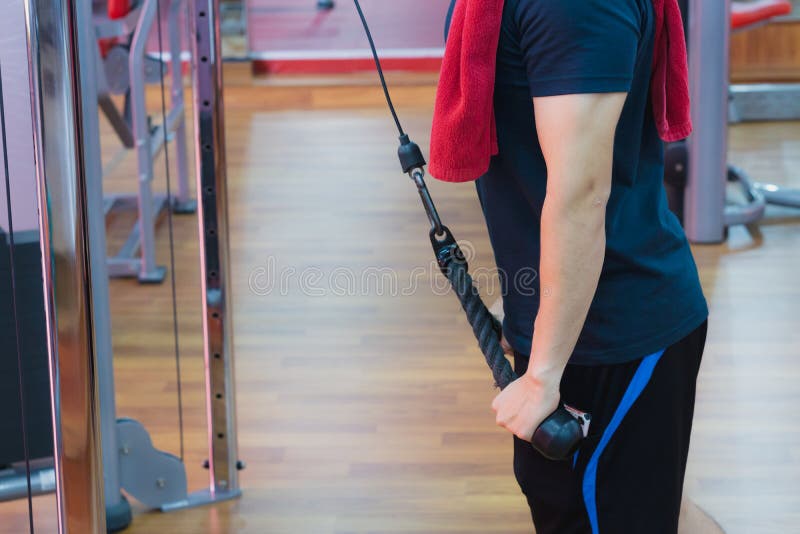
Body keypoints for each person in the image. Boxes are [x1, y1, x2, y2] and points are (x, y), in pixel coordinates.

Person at [441, 1, 709, 532]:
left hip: (611, 332)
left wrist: (541, 376)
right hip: (575, 314)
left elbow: (581, 193)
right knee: (650, 508)